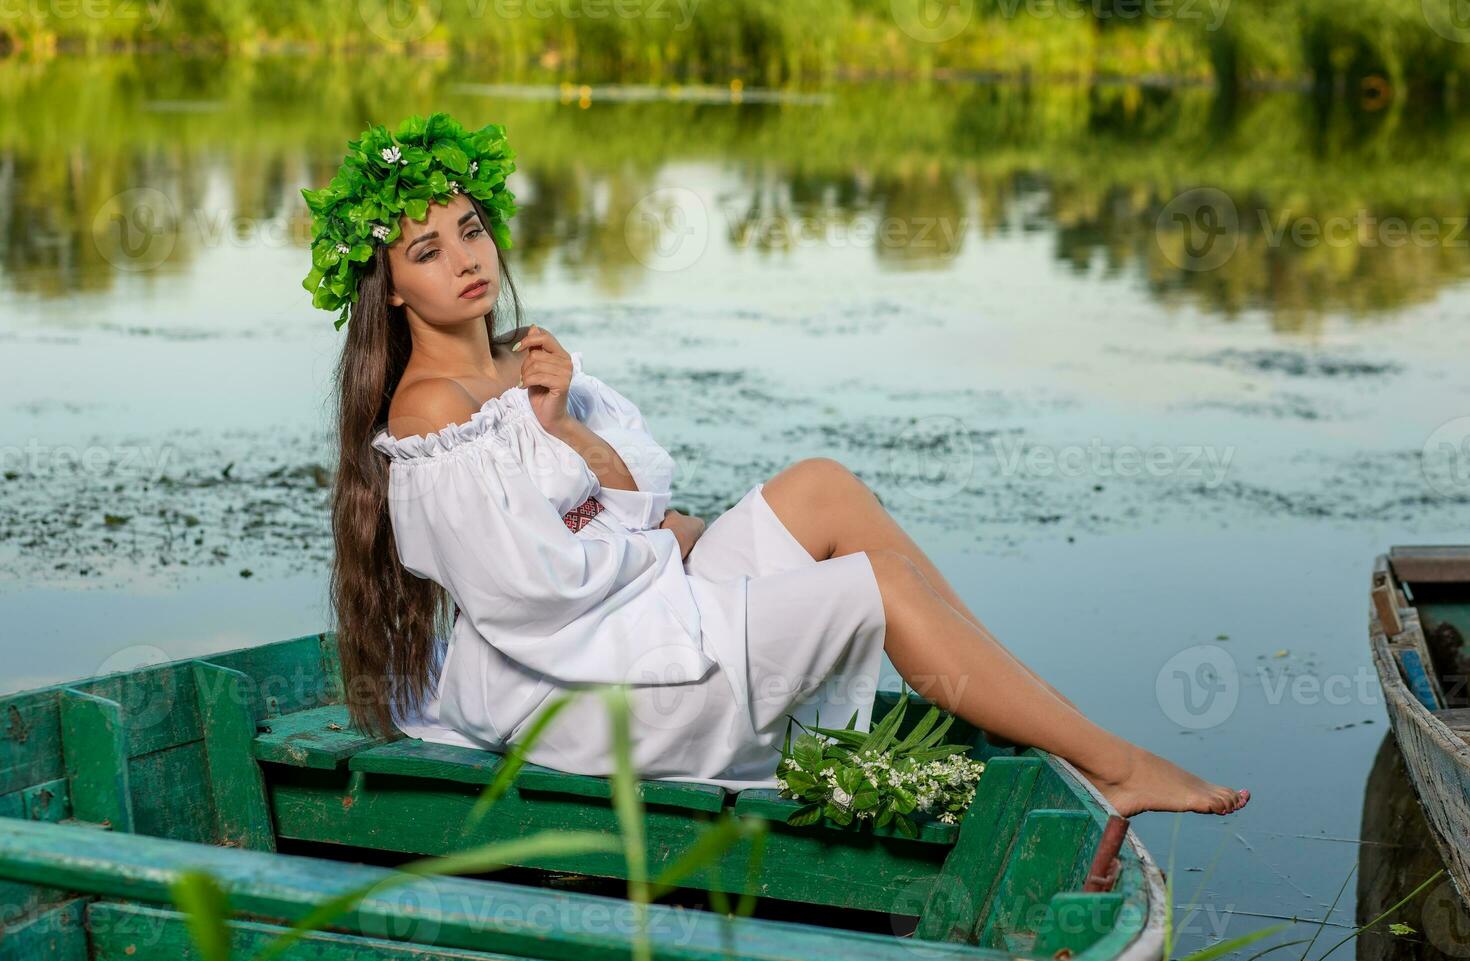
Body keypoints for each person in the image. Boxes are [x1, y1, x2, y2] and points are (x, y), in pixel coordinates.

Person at [309, 111, 1249, 818]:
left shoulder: (531, 358)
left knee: (823, 487)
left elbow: (641, 483)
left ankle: (1029, 716)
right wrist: (671, 544)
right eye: (427, 252)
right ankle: (1111, 766)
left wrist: (576, 440)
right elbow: (533, 595)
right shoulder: (433, 413)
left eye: (471, 229)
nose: (466, 260)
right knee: (872, 584)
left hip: (640, 616)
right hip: (584, 689)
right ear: (389, 287)